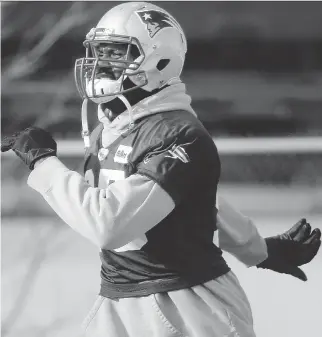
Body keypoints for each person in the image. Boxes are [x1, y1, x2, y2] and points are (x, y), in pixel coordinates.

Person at [1, 2, 321, 336]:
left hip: (189, 305)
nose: (100, 64)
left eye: (116, 52)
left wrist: (44, 164)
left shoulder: (179, 133)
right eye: (98, 51)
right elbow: (194, 206)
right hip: (119, 299)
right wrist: (258, 249)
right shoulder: (111, 128)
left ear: (160, 60)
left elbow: (110, 223)